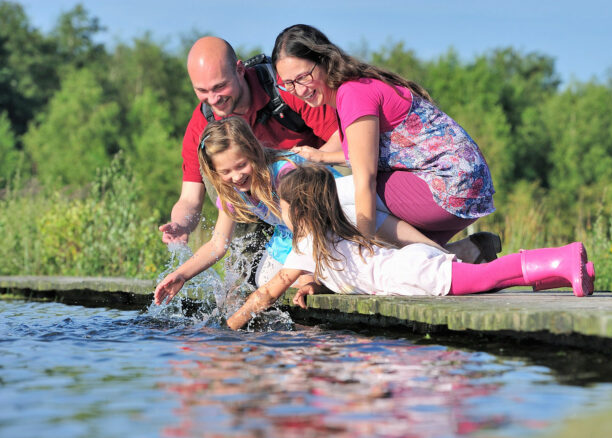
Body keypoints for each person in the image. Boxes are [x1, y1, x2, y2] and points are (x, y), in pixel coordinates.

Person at [225, 165, 596, 330]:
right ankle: (564, 273)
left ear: (300, 208)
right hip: (409, 266)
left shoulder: (306, 243)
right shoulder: (327, 235)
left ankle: (564, 256)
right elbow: (340, 270)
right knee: (486, 281)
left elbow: (265, 294)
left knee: (485, 277)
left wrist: (230, 327)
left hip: (412, 274)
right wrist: (312, 285)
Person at [271, 24, 502, 264]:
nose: (298, 90)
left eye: (303, 77)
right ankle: (469, 252)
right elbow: (378, 153)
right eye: (288, 83)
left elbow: (365, 179)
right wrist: (321, 157)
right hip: (467, 186)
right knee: (401, 259)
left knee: (333, 197)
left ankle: (448, 264)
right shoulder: (356, 87)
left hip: (449, 185)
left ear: (325, 60)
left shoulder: (352, 94)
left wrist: (364, 251)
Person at [154, 117, 448, 305]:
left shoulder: (283, 174)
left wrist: (310, 278)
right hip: (298, 231)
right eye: (226, 172)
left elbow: (309, 233)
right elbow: (218, 243)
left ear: (254, 152)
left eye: (241, 165)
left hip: (337, 210)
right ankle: (465, 252)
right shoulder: (233, 192)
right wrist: (181, 275)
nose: (236, 176)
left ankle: (442, 256)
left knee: (369, 243)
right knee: (264, 279)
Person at [158, 36, 343, 246]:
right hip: (255, 205)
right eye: (202, 91)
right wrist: (180, 225)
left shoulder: (285, 86)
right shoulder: (202, 124)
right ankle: (248, 258)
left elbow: (341, 139)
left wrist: (294, 173)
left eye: (220, 87)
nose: (213, 99)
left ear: (239, 70)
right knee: (213, 169)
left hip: (307, 190)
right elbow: (190, 199)